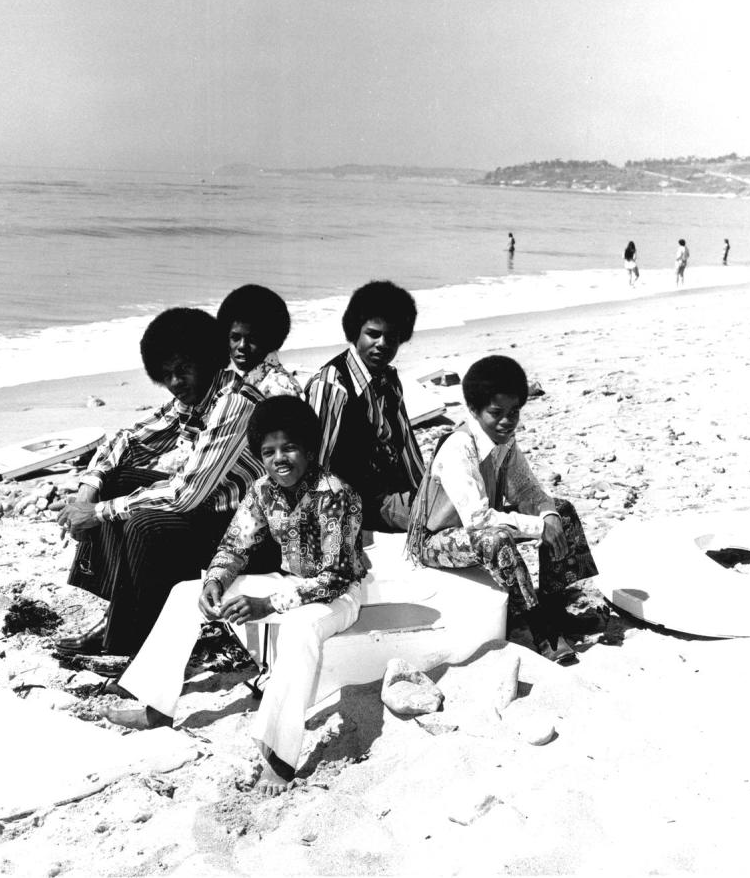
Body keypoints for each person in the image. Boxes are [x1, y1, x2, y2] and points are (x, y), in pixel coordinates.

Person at [103, 396, 367, 795]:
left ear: (310, 449)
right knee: (184, 594)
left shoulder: (337, 495)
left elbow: (336, 575)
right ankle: (157, 707)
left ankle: (279, 757)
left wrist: (267, 604)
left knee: (299, 631)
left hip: (338, 597)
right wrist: (215, 580)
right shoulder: (263, 489)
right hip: (289, 581)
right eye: (269, 451)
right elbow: (235, 545)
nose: (280, 459)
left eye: (290, 448)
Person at [54, 308, 271, 656]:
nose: (174, 382)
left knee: (141, 522)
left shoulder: (235, 403)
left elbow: (186, 495)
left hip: (249, 535)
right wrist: (87, 493)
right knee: (116, 480)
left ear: (206, 359)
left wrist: (98, 512)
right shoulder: (197, 397)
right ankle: (117, 617)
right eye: (166, 374)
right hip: (213, 512)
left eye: (183, 370)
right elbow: (129, 439)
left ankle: (131, 647)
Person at [406, 355, 599, 664]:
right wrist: (537, 527)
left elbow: (527, 490)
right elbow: (479, 520)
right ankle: (540, 629)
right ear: (473, 409)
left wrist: (548, 516)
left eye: (514, 412)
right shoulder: (459, 445)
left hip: (478, 527)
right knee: (495, 538)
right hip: (436, 541)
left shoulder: (505, 440)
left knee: (561, 512)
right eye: (497, 413)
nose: (507, 421)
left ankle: (555, 609)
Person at [306, 280, 425, 532]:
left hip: (394, 495)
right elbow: (316, 464)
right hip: (357, 507)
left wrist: (425, 493)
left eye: (391, 337)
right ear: (355, 332)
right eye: (373, 334)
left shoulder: (389, 380)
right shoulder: (331, 386)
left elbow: (407, 448)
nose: (382, 343)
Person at [217, 284, 303, 398]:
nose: (242, 346)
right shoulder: (248, 380)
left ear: (270, 340)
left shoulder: (278, 389)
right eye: (235, 338)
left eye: (252, 339)